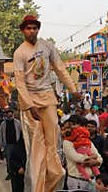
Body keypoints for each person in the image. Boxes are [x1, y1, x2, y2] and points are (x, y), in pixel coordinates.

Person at [13, 15, 80, 192]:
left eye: (34, 28)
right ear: (23, 30)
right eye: (28, 28)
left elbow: (60, 69)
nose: (32, 31)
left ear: (38, 29)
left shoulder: (47, 46)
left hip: (48, 97)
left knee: (52, 142)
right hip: (30, 100)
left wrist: (73, 89)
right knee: (37, 148)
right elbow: (19, 83)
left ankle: (53, 178)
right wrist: (29, 105)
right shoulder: (19, 52)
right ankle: (37, 187)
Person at [65, 116, 101, 181]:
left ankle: (96, 174)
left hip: (92, 179)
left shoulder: (87, 140)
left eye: (74, 124)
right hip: (76, 180)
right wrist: (92, 158)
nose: (72, 127)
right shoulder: (67, 142)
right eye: (70, 125)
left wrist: (96, 161)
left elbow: (99, 158)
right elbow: (76, 158)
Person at [0, 109, 22, 180]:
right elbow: (1, 134)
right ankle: (10, 173)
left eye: (10, 113)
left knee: (17, 159)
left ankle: (15, 172)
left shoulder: (17, 123)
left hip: (16, 144)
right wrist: (0, 144)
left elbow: (21, 132)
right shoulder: (3, 124)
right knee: (8, 160)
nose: (9, 115)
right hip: (7, 145)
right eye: (8, 114)